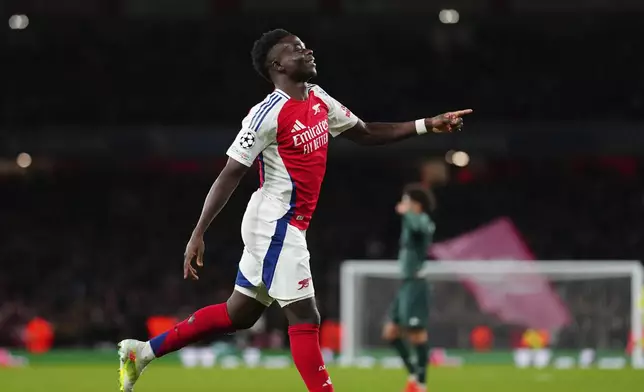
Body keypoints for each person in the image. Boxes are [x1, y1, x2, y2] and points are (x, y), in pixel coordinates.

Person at [117, 28, 471, 392]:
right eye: (297, 49)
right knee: (305, 315)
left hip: (286, 224)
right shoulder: (265, 115)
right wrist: (198, 232)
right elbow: (230, 174)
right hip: (275, 223)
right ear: (277, 64)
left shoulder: (318, 98)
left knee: (239, 313)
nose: (308, 51)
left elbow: (365, 132)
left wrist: (427, 124)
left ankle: (142, 352)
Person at [382, 184, 436, 392]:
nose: (402, 204)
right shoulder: (410, 221)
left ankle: (421, 383)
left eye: (406, 200)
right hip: (406, 284)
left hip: (417, 283)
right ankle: (414, 374)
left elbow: (419, 228)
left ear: (416, 203)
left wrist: (408, 213)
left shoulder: (422, 220)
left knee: (416, 333)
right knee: (391, 332)